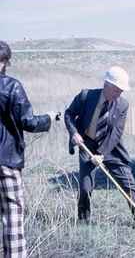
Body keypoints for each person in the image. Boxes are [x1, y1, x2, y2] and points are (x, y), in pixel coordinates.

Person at [64, 66, 135, 224]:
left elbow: (116, 133)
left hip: (110, 148)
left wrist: (101, 154)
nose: (119, 94)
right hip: (87, 145)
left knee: (129, 184)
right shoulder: (86, 96)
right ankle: (83, 222)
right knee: (85, 187)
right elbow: (69, 114)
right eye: (116, 90)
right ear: (106, 85)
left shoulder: (122, 105)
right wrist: (74, 132)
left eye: (121, 91)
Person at [0, 41, 59, 258]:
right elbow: (29, 122)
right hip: (7, 162)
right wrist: (50, 118)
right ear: (5, 62)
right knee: (13, 215)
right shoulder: (12, 86)